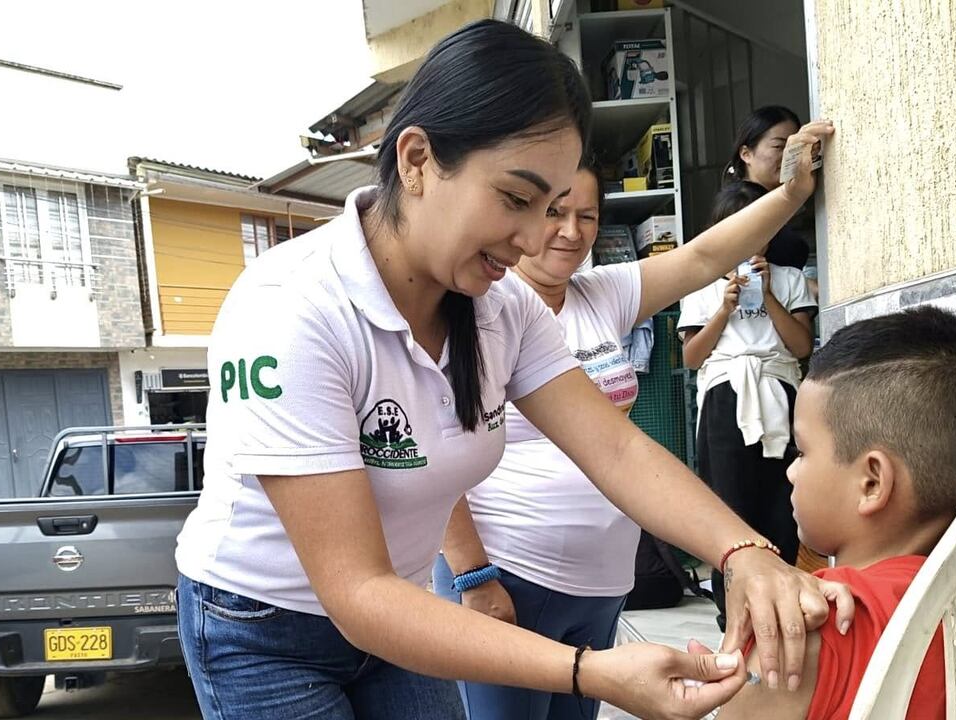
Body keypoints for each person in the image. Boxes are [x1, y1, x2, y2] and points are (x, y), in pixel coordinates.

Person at [175, 19, 845, 720]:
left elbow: (613, 447)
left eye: (557, 207)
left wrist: (744, 551)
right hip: (262, 627)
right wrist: (592, 671)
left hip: (397, 606)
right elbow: (357, 593)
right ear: (417, 161)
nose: (537, 238)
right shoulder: (291, 309)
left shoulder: (499, 309)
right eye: (517, 200)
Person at [435, 132, 831, 720]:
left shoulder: (603, 295)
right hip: (507, 577)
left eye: (587, 215)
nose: (570, 232)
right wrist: (474, 577)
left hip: (600, 582)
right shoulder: (480, 308)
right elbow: (438, 452)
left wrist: (791, 193)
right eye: (554, 213)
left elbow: (702, 256)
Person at [714, 305, 956, 718]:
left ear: (872, 482)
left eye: (801, 451)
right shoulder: (941, 600)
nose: (790, 471)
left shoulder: (800, 629)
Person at [679, 181, 819, 631]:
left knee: (783, 503)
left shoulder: (791, 278)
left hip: (779, 392)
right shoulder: (699, 284)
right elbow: (691, 357)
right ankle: (733, 614)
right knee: (729, 506)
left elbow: (800, 346)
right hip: (725, 396)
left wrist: (769, 292)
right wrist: (723, 308)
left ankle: (782, 606)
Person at [722, 105, 811, 270]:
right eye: (778, 147)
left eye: (794, 147)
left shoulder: (794, 196)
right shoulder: (739, 202)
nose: (788, 155)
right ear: (746, 154)